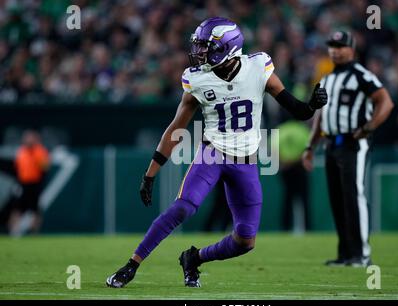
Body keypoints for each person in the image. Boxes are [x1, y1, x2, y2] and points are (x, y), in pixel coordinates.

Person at [106, 17, 327, 288]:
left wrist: (312, 105)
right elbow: (176, 129)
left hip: (246, 161)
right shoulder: (198, 80)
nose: (199, 52)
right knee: (183, 208)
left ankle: (193, 258)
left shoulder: (258, 67)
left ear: (227, 47)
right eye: (198, 46)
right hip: (213, 154)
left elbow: (297, 109)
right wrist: (151, 173)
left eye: (205, 46)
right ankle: (131, 265)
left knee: (245, 241)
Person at [302, 31, 394, 267]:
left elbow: (385, 101)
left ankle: (361, 254)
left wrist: (370, 126)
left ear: (351, 49)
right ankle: (346, 253)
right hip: (331, 144)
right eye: (332, 45)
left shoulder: (361, 75)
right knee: (338, 200)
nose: (335, 50)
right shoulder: (327, 78)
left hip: (353, 143)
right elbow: (321, 116)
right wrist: (310, 146)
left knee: (354, 197)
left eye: (340, 46)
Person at [9, 130, 50, 236]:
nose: (28, 140)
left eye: (31, 138)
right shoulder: (21, 151)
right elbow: (17, 167)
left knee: (36, 208)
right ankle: (14, 230)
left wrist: (38, 160)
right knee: (17, 207)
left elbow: (45, 168)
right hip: (23, 183)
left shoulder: (40, 151)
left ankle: (34, 232)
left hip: (35, 183)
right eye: (27, 138)